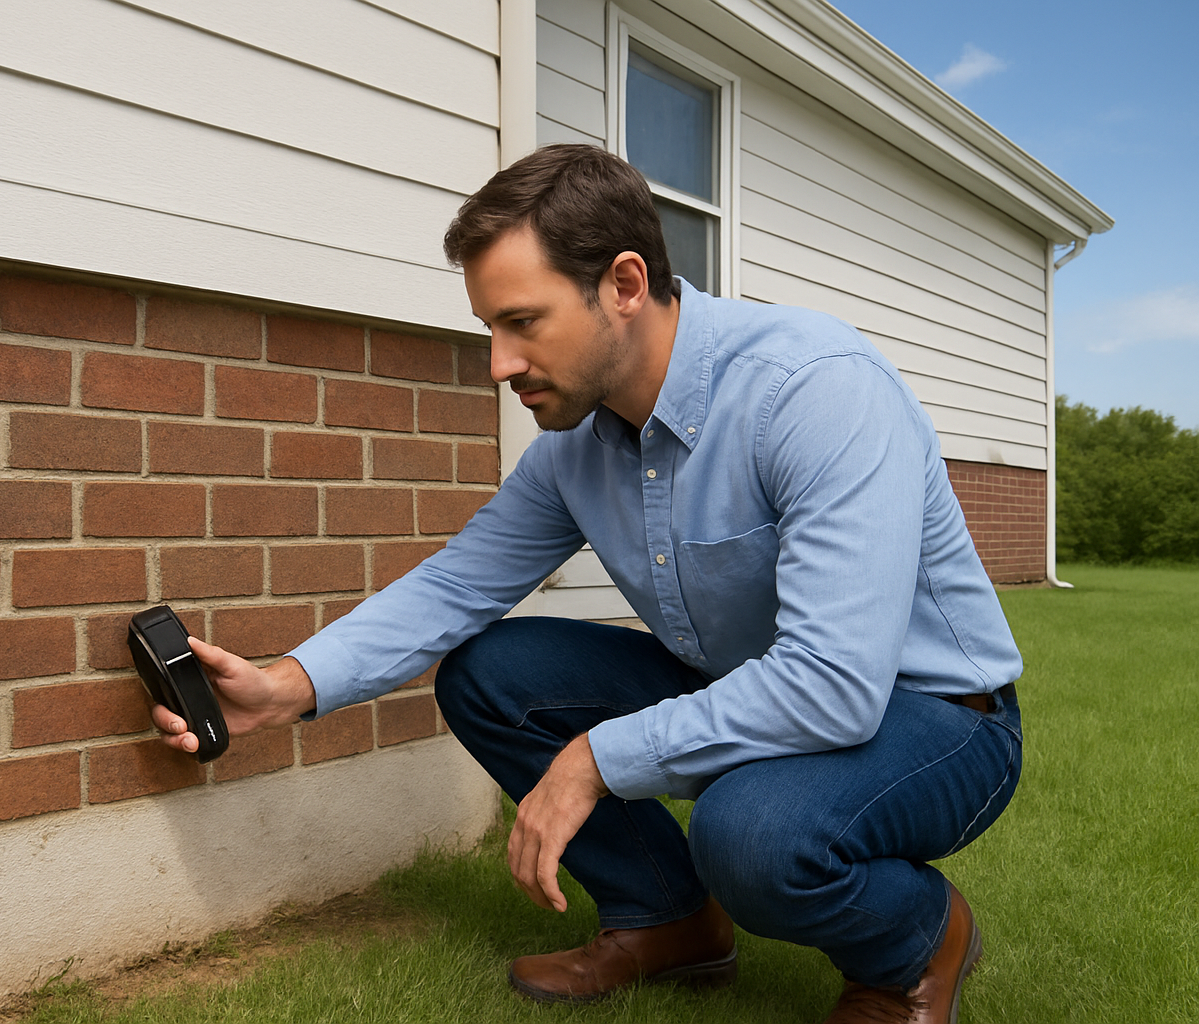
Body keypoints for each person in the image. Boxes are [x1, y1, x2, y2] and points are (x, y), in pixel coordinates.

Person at [151, 144, 1024, 1024]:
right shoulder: (576, 448)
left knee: (751, 832)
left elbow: (836, 686)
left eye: (522, 322)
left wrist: (594, 762)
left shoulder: (815, 391)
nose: (498, 363)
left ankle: (916, 945)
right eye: (491, 327)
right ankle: (670, 920)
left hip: (936, 715)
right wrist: (283, 688)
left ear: (625, 284)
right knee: (492, 674)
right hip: (754, 690)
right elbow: (455, 585)